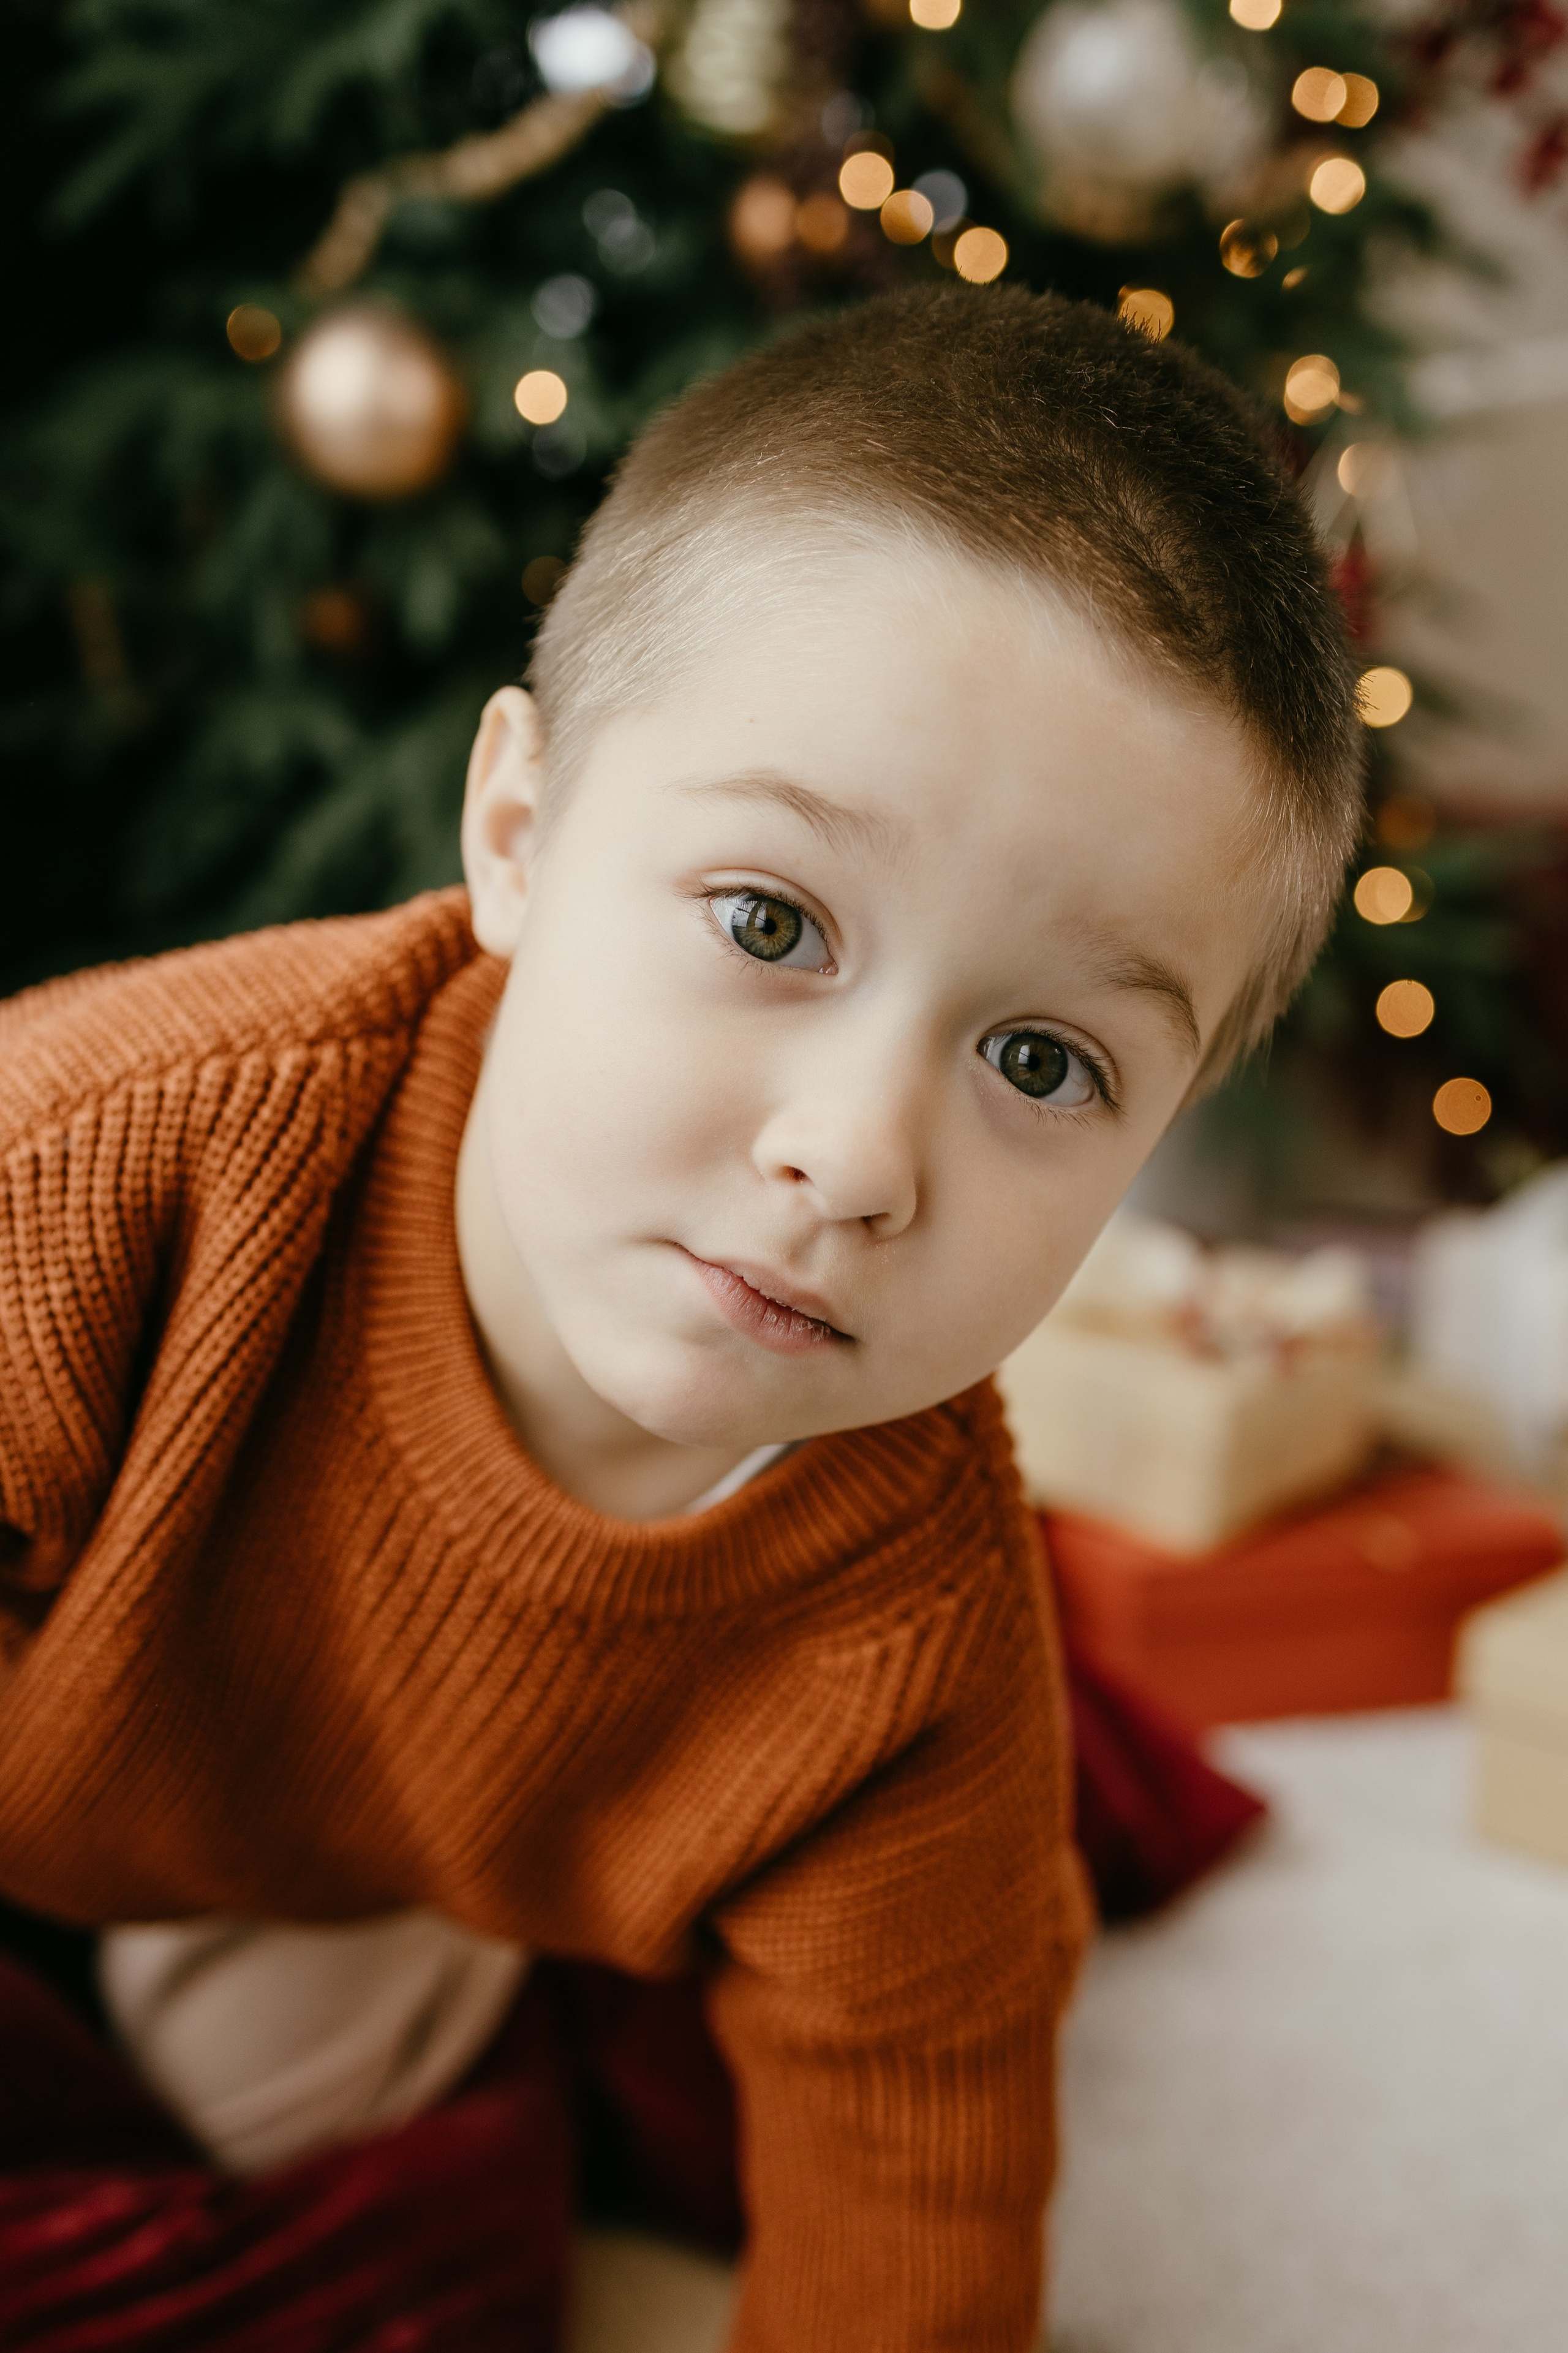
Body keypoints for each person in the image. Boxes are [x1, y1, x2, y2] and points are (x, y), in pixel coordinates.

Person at [0, 282, 1361, 2351]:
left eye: (1043, 1063)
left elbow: (914, 2176)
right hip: (55, 1724)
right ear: (521, 835)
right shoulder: (100, 1164)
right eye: (770, 922)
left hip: (336, 1855)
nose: (858, 1152)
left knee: (377, 2194)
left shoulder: (912, 1651)